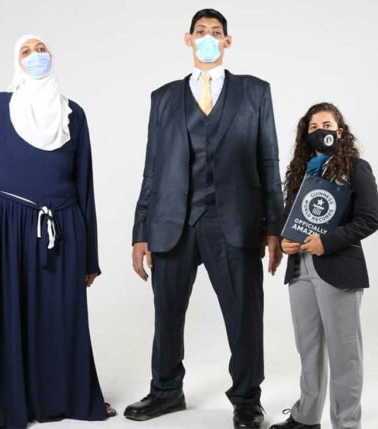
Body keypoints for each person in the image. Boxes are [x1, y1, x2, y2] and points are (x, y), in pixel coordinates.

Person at [124, 9, 284, 429]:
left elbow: (269, 161)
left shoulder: (255, 92)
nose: (208, 37)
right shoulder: (162, 98)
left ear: (228, 41)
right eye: (201, 32)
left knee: (244, 314)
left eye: (216, 32)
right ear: (188, 39)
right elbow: (152, 169)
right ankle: (166, 391)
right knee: (167, 313)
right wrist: (141, 232)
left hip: (234, 222)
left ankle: (247, 399)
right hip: (171, 221)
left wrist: (274, 225)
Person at [0, 34, 115, 428]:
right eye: (26, 50)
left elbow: (84, 185)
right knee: (3, 319)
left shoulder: (73, 114)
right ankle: (5, 406)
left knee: (60, 320)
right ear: (16, 60)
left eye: (41, 49)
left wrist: (89, 256)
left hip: (60, 228)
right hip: (1, 229)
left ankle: (61, 399)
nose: (35, 55)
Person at [270, 102, 378, 429]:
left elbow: (369, 219)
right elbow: (291, 219)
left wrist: (327, 242)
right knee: (308, 349)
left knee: (344, 354)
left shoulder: (357, 168)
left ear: (340, 132)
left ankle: (346, 423)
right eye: (313, 127)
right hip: (300, 269)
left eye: (327, 125)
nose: (320, 131)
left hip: (337, 268)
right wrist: (286, 241)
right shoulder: (301, 173)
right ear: (306, 135)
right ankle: (306, 417)